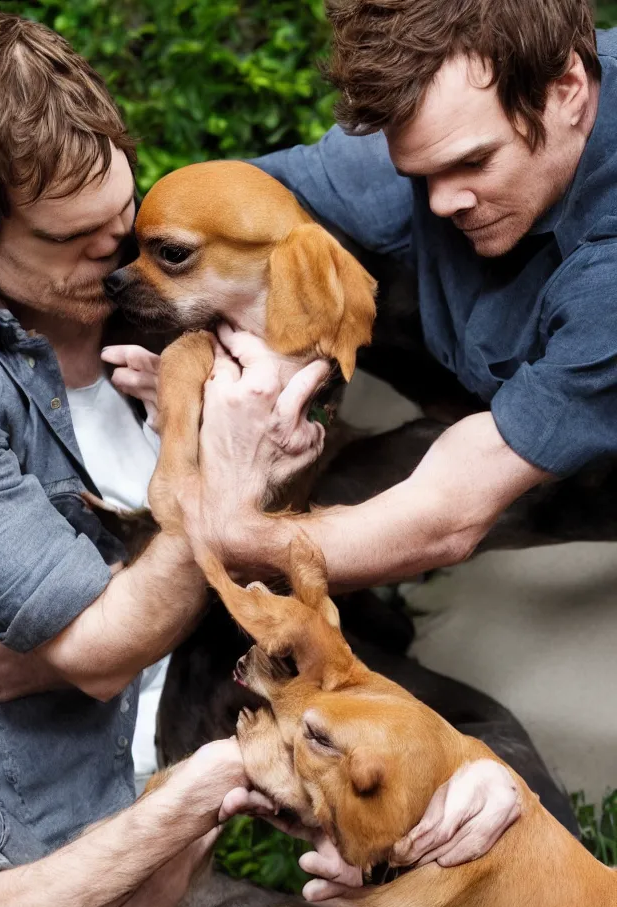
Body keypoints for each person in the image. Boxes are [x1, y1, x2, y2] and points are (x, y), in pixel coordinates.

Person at [0, 12, 519, 907]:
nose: (119, 253)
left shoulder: (158, 254)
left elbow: (315, 298)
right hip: (58, 774)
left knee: (483, 797)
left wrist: (282, 378)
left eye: (129, 213)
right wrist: (215, 482)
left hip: (238, 656)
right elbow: (102, 650)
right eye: (75, 240)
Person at [192, 0, 617, 594]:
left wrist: (228, 535)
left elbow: (449, 513)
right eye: (420, 175)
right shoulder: (457, 110)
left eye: (473, 162)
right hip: (477, 374)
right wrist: (262, 345)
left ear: (568, 87)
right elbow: (247, 201)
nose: (442, 202)